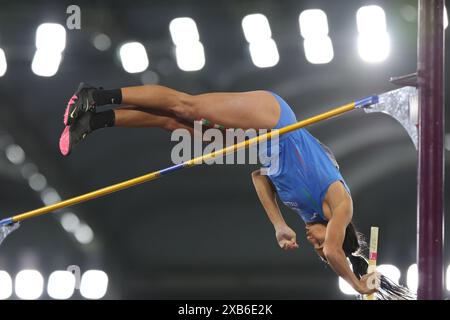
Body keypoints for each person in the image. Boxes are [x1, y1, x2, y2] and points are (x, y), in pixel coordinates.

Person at [60, 83, 414, 299]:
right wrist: (357, 284)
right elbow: (337, 252)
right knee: (186, 106)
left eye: (316, 247)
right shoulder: (340, 204)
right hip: (275, 118)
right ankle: (96, 95)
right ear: (339, 232)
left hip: (261, 140)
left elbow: (259, 177)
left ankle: (94, 121)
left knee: (174, 123)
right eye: (321, 242)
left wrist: (278, 224)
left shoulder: (304, 212)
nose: (316, 242)